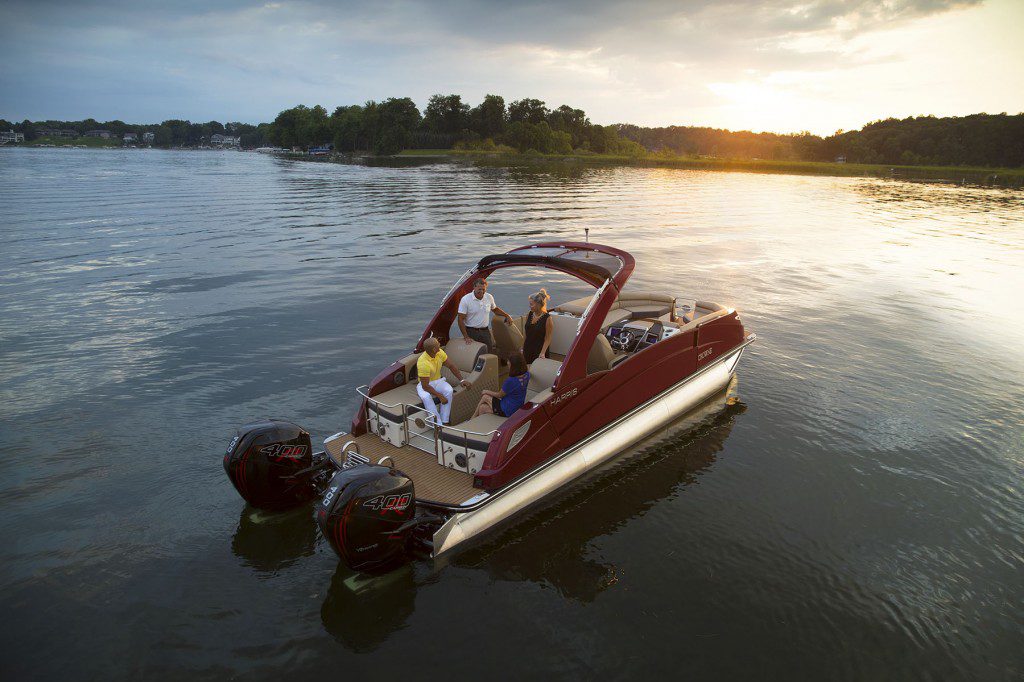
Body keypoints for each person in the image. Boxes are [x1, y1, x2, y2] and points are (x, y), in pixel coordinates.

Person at [416, 337, 471, 425]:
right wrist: (440, 396)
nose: (439, 345)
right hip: (425, 384)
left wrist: (462, 380)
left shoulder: (440, 353)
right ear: (434, 349)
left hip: (438, 381)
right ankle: (437, 424)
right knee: (426, 397)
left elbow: (451, 366)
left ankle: (445, 421)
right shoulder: (423, 363)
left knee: (449, 390)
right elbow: (425, 386)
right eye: (438, 344)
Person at [457, 277, 513, 354]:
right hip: (471, 332)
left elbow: (495, 309)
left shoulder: (489, 297)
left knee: (489, 352)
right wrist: (466, 336)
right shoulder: (466, 299)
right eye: (479, 289)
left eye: (484, 289)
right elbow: (460, 319)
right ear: (474, 287)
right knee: (474, 353)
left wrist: (507, 315)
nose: (482, 291)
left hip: (485, 331)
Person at [474, 351, 530, 418]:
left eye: (509, 362)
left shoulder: (510, 381)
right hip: (517, 406)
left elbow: (499, 395)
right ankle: (474, 421)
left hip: (508, 409)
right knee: (482, 408)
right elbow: (528, 367)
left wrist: (486, 391)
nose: (507, 363)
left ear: (513, 365)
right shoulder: (527, 374)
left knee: (485, 396)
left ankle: (471, 419)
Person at [522, 288, 554, 365]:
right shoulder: (529, 314)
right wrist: (522, 347)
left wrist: (542, 353)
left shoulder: (547, 318)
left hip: (539, 350)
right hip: (528, 348)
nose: (529, 306)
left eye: (531, 304)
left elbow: (548, 338)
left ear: (539, 304)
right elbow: (526, 333)